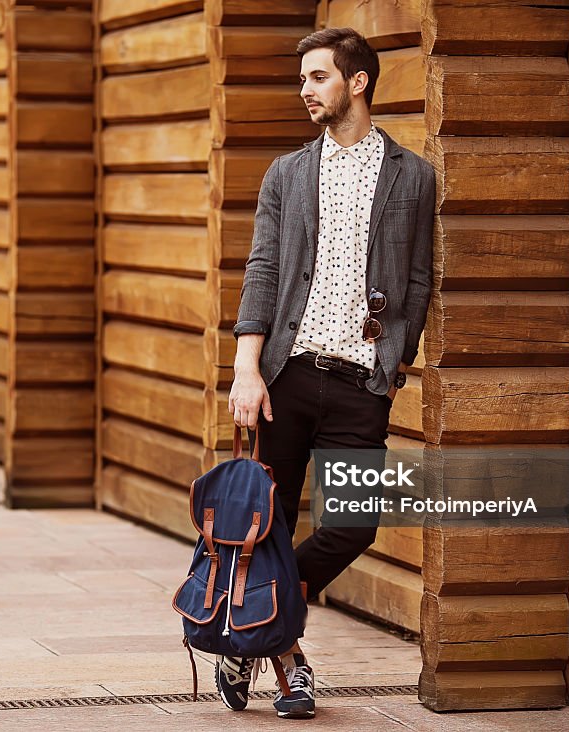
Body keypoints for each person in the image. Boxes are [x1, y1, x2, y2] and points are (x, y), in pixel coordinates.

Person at [220, 27, 435, 719]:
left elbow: (420, 278)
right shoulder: (286, 173)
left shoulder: (413, 174)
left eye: (317, 77)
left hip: (358, 384)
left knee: (353, 523)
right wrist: (245, 371)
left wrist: (394, 355)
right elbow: (262, 271)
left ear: (357, 82)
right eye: (303, 78)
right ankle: (290, 665)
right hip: (285, 377)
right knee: (270, 524)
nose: (305, 89)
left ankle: (252, 630)